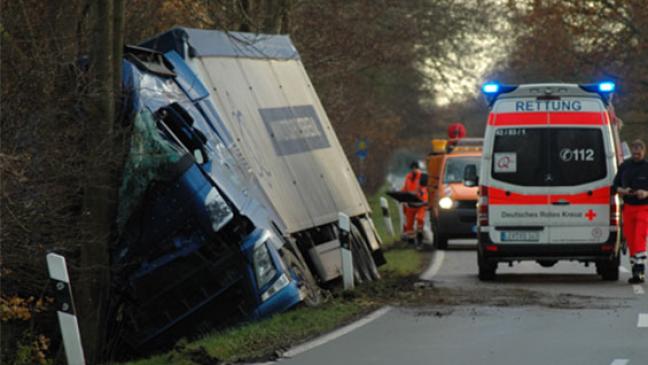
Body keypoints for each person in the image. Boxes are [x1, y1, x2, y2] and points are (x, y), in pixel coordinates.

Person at [613, 139, 648, 283]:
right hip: (628, 208)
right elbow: (615, 186)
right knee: (631, 240)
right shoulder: (624, 166)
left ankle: (640, 272)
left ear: (643, 152)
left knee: (639, 237)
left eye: (639, 153)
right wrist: (622, 190)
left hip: (644, 208)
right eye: (634, 153)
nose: (636, 155)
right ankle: (635, 272)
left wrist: (646, 193)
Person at [401, 161, 428, 246]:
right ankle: (411, 241)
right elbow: (405, 188)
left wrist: (421, 194)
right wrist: (401, 195)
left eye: (415, 168)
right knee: (409, 223)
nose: (414, 170)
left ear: (418, 168)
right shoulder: (408, 177)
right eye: (412, 168)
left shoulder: (422, 177)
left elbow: (425, 189)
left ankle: (420, 236)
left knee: (420, 219)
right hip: (411, 202)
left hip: (420, 202)